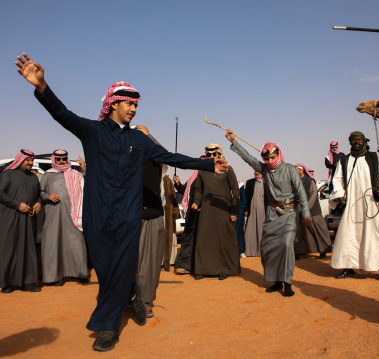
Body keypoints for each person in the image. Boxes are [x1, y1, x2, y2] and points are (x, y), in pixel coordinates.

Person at [16, 53, 228, 352]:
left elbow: (170, 157)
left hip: (129, 217)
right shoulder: (91, 131)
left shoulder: (140, 141)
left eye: (136, 105)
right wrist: (42, 86)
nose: (134, 109)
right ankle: (132, 291)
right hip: (96, 215)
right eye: (129, 103)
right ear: (113, 102)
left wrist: (208, 165)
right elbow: (61, 114)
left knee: (120, 266)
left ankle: (108, 326)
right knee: (105, 270)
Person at [226, 132, 312, 297]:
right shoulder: (264, 169)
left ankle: (287, 282)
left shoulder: (290, 169)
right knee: (268, 248)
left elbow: (301, 192)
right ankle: (276, 281)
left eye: (273, 157)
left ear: (279, 154)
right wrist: (234, 143)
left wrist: (305, 213)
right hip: (272, 214)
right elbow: (249, 158)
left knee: (286, 245)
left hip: (289, 213)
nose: (270, 162)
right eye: (267, 159)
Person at [329, 131, 379, 281]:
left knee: (376, 235)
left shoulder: (375, 158)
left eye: (359, 139)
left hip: (373, 204)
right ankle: (349, 267)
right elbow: (337, 180)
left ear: (364, 141)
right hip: (353, 204)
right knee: (350, 235)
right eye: (353, 140)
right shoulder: (345, 161)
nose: (356, 142)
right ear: (349, 143)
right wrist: (340, 195)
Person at [191, 144, 241, 280]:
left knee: (223, 239)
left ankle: (224, 269)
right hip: (207, 210)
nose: (212, 157)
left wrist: (234, 212)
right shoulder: (201, 171)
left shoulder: (227, 169)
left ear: (219, 154)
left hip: (223, 209)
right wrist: (196, 202)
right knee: (204, 238)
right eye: (209, 155)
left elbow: (235, 191)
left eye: (215, 154)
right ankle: (202, 269)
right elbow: (198, 189)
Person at [134, 126, 169, 318]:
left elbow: (163, 153)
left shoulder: (157, 163)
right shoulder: (128, 161)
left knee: (152, 263)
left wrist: (148, 135)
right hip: (132, 218)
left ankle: (146, 301)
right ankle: (127, 299)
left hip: (154, 217)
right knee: (130, 262)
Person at [40, 150, 88, 286]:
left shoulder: (75, 173)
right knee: (54, 242)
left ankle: (80, 273)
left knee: (76, 241)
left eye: (63, 159)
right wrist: (47, 196)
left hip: (72, 213)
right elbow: (40, 192)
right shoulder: (47, 175)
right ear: (54, 160)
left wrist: (84, 168)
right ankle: (55, 276)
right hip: (53, 213)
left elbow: (88, 183)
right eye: (58, 159)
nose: (61, 162)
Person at [0, 150, 42, 293]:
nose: (30, 163)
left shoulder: (34, 178)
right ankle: (7, 283)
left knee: (29, 248)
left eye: (31, 160)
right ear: (20, 159)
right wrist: (17, 204)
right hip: (11, 216)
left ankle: (29, 282)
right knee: (9, 248)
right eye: (27, 160)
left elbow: (39, 196)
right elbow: (0, 193)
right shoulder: (7, 174)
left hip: (29, 218)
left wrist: (38, 203)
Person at [172, 155, 206, 274]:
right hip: (192, 213)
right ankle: (185, 264)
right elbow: (184, 190)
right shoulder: (193, 177)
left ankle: (199, 266)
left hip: (203, 213)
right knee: (188, 237)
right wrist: (177, 183)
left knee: (200, 239)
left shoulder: (208, 176)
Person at [294, 163, 332, 258]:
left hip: (313, 210)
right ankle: (299, 252)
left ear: (301, 170)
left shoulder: (310, 181)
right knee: (300, 233)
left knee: (318, 230)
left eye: (296, 169)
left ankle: (323, 250)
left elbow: (313, 195)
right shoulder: (296, 182)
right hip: (299, 211)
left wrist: (306, 208)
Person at [244, 171, 266, 257]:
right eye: (255, 171)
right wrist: (246, 209)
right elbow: (246, 196)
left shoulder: (266, 182)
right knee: (251, 228)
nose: (256, 173)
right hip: (252, 209)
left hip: (263, 209)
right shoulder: (249, 182)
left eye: (258, 171)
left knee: (263, 228)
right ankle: (250, 251)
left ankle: (263, 251)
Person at [236, 179, 247, 258]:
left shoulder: (239, 183)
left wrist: (241, 209)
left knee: (239, 230)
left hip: (238, 209)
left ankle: (241, 251)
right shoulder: (223, 181)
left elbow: (243, 198)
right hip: (226, 209)